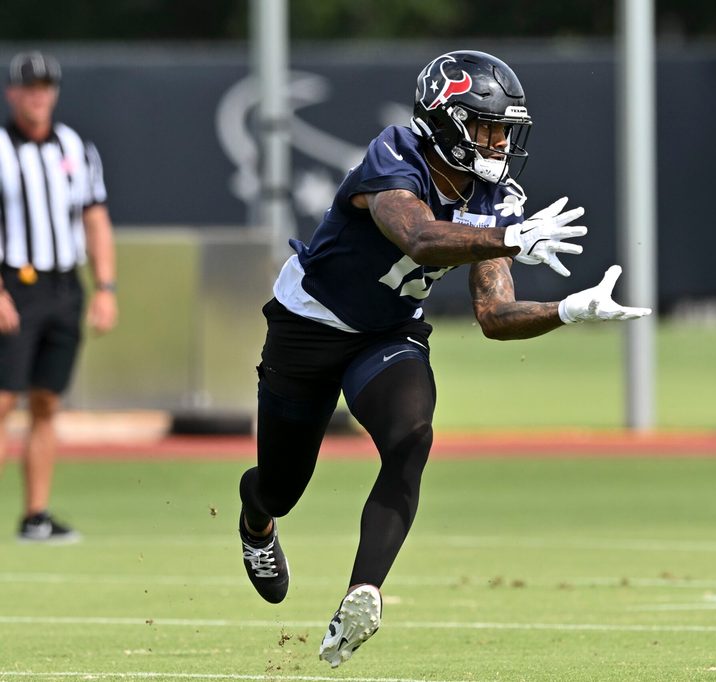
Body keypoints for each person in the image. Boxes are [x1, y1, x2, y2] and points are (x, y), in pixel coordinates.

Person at [236, 50, 650, 667]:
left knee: (412, 435)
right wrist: (513, 237)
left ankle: (363, 593)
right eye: (486, 126)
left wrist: (568, 310)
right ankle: (256, 521)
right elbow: (419, 238)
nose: (499, 141)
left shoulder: (495, 194)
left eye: (505, 129)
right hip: (308, 327)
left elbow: (494, 315)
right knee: (281, 486)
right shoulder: (395, 154)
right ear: (444, 121)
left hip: (387, 334)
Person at [0, 51, 118, 543]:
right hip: (13, 282)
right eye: (29, 87)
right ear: (12, 93)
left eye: (45, 86)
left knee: (47, 401)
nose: (38, 95)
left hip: (64, 284)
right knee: (3, 399)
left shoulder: (74, 147)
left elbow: (94, 217)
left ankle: (36, 515)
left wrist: (105, 287)